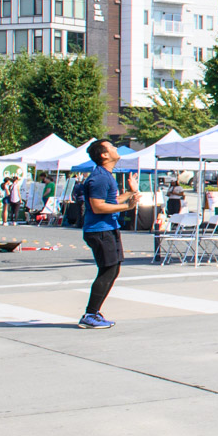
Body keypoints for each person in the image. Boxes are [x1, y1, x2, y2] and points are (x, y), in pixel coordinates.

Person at [78, 140, 139, 329]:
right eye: (111, 147)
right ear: (104, 155)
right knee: (108, 270)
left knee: (112, 269)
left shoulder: (106, 176)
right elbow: (97, 207)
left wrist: (129, 192)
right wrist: (127, 207)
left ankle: (93, 312)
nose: (115, 149)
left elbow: (110, 201)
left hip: (107, 228)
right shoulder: (100, 178)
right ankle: (90, 314)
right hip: (100, 230)